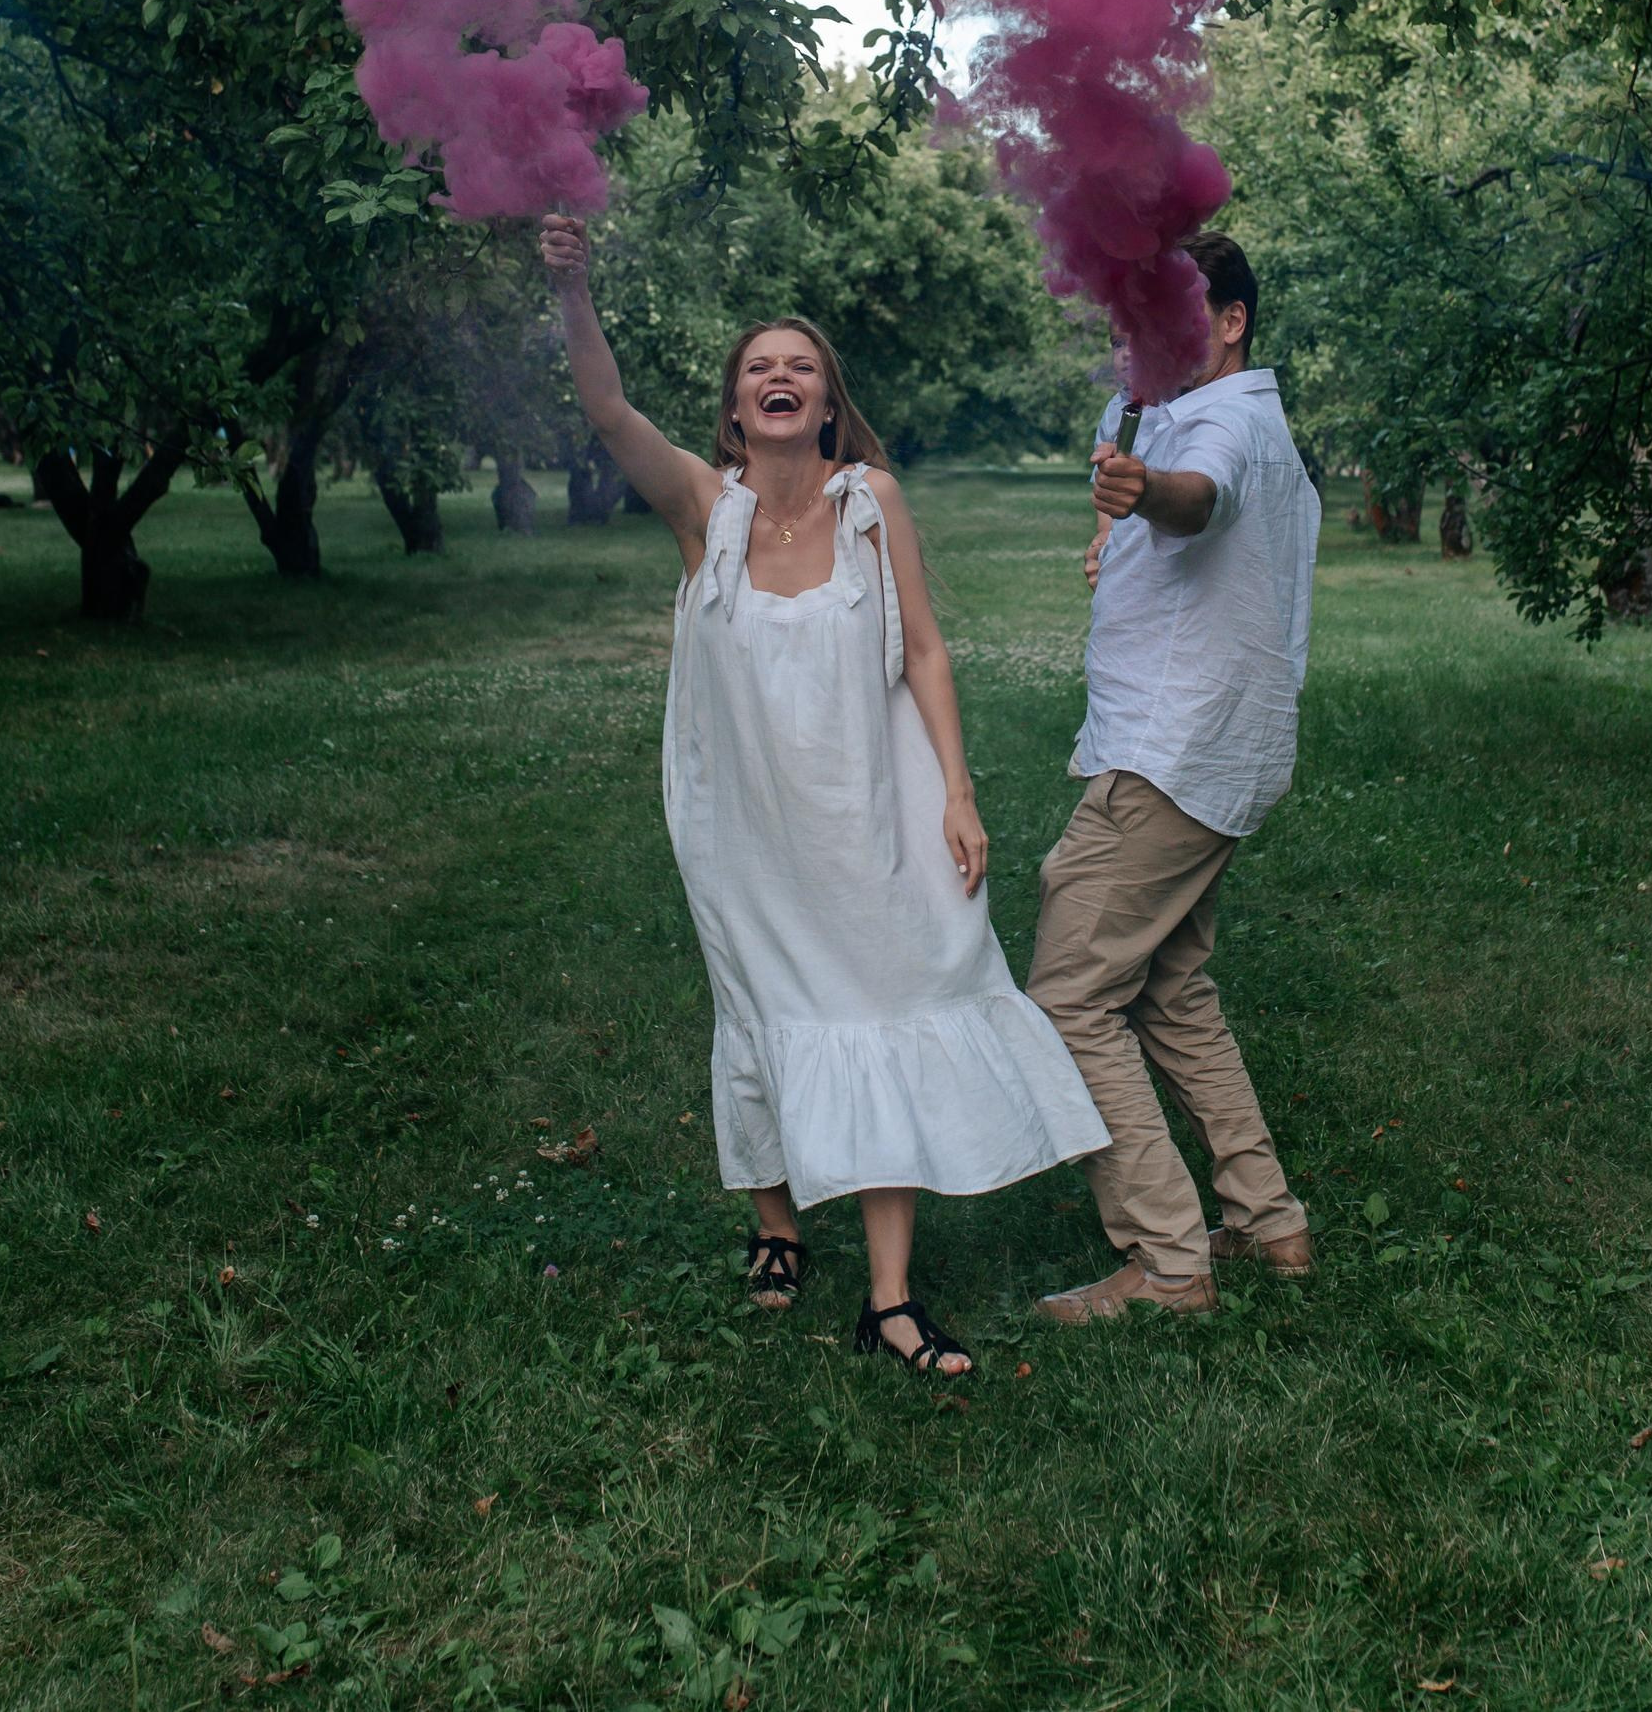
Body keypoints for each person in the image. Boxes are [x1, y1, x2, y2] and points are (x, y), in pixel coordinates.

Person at [540, 215, 1107, 1377]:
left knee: (889, 997)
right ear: (733, 412)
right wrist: (573, 286)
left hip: (871, 808)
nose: (780, 378)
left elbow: (927, 656)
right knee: (761, 1015)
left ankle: (888, 1299)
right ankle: (777, 1228)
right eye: (759, 369)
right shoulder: (706, 509)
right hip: (742, 827)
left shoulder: (869, 504)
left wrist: (956, 792)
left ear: (828, 403)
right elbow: (605, 411)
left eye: (800, 366)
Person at [1028, 233, 1321, 1322]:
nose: (1127, 337)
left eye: (1158, 314)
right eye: (1122, 317)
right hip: (1209, 750)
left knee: (1067, 995)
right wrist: (1119, 518)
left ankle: (1167, 1262)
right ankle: (1263, 1218)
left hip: (1172, 754)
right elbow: (1152, 506)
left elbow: (1199, 500)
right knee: (1165, 985)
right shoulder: (1152, 410)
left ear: (1230, 322)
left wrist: (1148, 493)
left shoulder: (1233, 421)